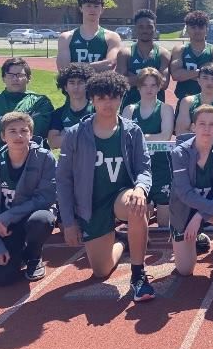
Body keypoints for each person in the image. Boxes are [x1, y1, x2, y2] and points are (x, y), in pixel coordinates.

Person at [55, 71, 155, 302]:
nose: (107, 103)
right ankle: (122, 241)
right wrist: (69, 222)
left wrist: (140, 188)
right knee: (101, 271)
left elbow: (144, 169)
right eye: (101, 98)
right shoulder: (75, 134)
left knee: (136, 205)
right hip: (91, 205)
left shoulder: (132, 131)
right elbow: (63, 179)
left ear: (121, 98)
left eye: (112, 97)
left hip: (121, 197)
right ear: (92, 99)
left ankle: (138, 276)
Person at [0, 112, 56, 285]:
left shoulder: (44, 158)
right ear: (3, 136)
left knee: (43, 220)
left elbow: (46, 196)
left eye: (24, 131)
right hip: (5, 226)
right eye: (12, 131)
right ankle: (19, 252)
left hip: (29, 217)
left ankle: (34, 255)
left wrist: (10, 215)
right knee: (1, 279)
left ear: (31, 134)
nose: (19, 136)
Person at [170, 105, 213, 281]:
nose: (206, 129)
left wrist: (200, 215)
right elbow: (184, 193)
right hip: (184, 209)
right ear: (193, 127)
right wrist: (196, 215)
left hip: (209, 206)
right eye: (202, 124)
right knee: (185, 271)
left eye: (212, 124)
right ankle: (196, 237)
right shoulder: (180, 153)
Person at [0, 57, 53, 194]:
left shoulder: (41, 102)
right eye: (11, 75)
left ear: (29, 78)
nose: (16, 79)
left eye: (20, 75)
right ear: (3, 78)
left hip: (27, 165)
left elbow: (37, 131)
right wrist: (23, 119)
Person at [123, 68, 175, 228]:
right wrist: (151, 137)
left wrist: (139, 137)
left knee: (163, 223)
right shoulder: (129, 110)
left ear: (159, 87)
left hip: (161, 166)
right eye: (145, 85)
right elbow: (125, 138)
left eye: (153, 85)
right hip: (138, 166)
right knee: (140, 218)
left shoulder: (165, 109)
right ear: (138, 87)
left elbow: (165, 136)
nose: (149, 89)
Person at [116, 9, 171, 108]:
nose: (145, 30)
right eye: (141, 27)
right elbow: (120, 83)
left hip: (156, 110)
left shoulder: (163, 54)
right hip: (130, 107)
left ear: (155, 28)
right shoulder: (125, 53)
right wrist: (153, 79)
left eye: (149, 27)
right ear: (135, 28)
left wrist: (134, 77)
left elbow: (164, 84)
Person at [56, 0, 121, 71]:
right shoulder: (66, 37)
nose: (92, 9)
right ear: (80, 8)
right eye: (88, 6)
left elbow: (110, 63)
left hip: (99, 83)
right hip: (76, 83)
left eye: (96, 6)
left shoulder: (112, 37)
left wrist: (78, 68)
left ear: (102, 10)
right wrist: (98, 66)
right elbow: (63, 68)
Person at [170, 10, 213, 104]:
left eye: (200, 27)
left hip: (209, 102)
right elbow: (176, 75)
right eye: (193, 27)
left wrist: (188, 74)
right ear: (187, 29)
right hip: (185, 101)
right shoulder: (180, 50)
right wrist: (203, 74)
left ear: (207, 29)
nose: (197, 31)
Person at [175, 62, 213, 140]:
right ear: (198, 80)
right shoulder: (187, 102)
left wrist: (195, 131)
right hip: (192, 149)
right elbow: (181, 133)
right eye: (205, 78)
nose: (209, 82)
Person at [48, 62, 95, 150]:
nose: (76, 87)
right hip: (69, 161)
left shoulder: (96, 109)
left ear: (88, 85)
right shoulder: (59, 113)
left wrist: (65, 135)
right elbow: (53, 142)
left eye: (80, 82)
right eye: (72, 83)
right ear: (65, 87)